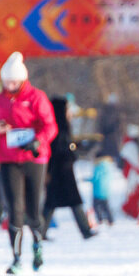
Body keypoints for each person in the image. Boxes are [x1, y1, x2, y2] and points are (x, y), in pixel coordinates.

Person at [0, 52, 58, 274]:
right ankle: (16, 257)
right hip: (6, 159)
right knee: (13, 208)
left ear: (22, 80)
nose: (10, 85)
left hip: (33, 158)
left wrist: (37, 140)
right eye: (6, 81)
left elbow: (50, 126)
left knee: (33, 207)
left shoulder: (36, 97)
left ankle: (37, 246)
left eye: (13, 81)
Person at [41, 96, 97, 241]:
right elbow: (60, 151)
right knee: (70, 202)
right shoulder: (58, 129)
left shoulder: (60, 127)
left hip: (59, 172)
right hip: (61, 172)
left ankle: (41, 232)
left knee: (54, 204)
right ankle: (85, 230)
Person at [120, 124, 139, 219]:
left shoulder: (131, 145)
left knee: (136, 191)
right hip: (132, 172)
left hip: (134, 171)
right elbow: (129, 160)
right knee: (134, 192)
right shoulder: (131, 145)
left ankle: (130, 209)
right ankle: (130, 209)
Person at [91, 152, 114, 226]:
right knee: (105, 206)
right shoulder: (108, 166)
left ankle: (100, 219)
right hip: (106, 190)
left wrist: (87, 179)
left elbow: (95, 178)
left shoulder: (98, 167)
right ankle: (110, 220)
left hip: (98, 191)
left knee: (96, 206)